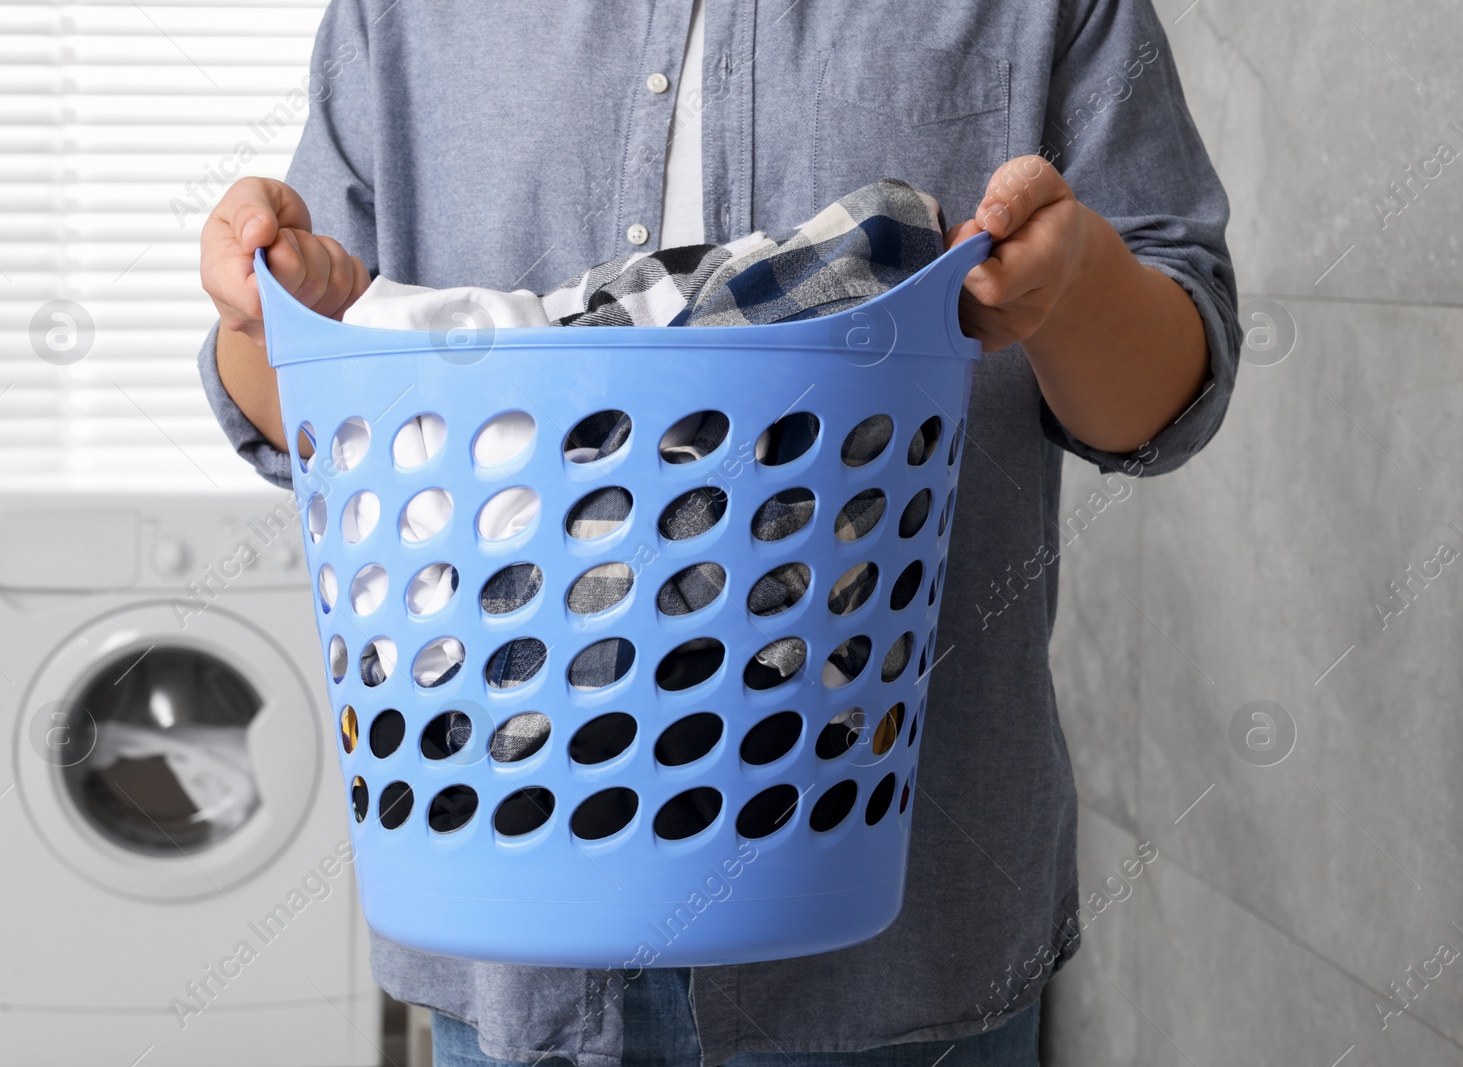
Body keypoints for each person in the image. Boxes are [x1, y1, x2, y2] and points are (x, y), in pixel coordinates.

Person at [197, 2, 1239, 1065]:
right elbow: (308, 411)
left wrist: (1073, 284)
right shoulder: (408, 19)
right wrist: (264, 307)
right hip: (512, 918)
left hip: (905, 934)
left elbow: (1165, 403)